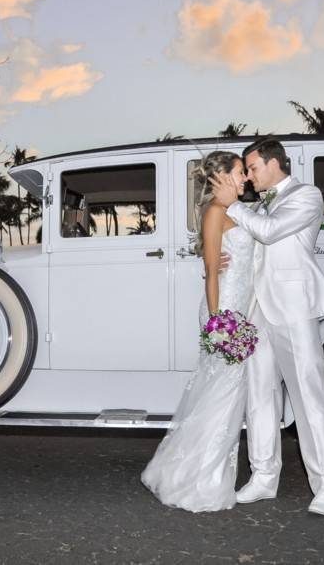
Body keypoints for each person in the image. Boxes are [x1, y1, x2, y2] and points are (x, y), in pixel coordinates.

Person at [209, 138, 324, 516]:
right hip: (258, 311)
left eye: (252, 168)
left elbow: (270, 231)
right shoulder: (260, 203)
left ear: (273, 163)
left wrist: (233, 204)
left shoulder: (307, 195)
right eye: (246, 171)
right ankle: (264, 477)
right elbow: (246, 242)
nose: (248, 177)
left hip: (294, 309)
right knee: (260, 395)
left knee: (308, 397)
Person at [141, 151, 254, 512]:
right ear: (220, 176)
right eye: (239, 172)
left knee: (226, 395)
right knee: (221, 394)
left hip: (241, 307)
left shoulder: (235, 212)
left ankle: (205, 473)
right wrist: (219, 323)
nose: (245, 178)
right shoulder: (216, 213)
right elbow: (211, 273)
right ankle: (196, 479)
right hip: (225, 313)